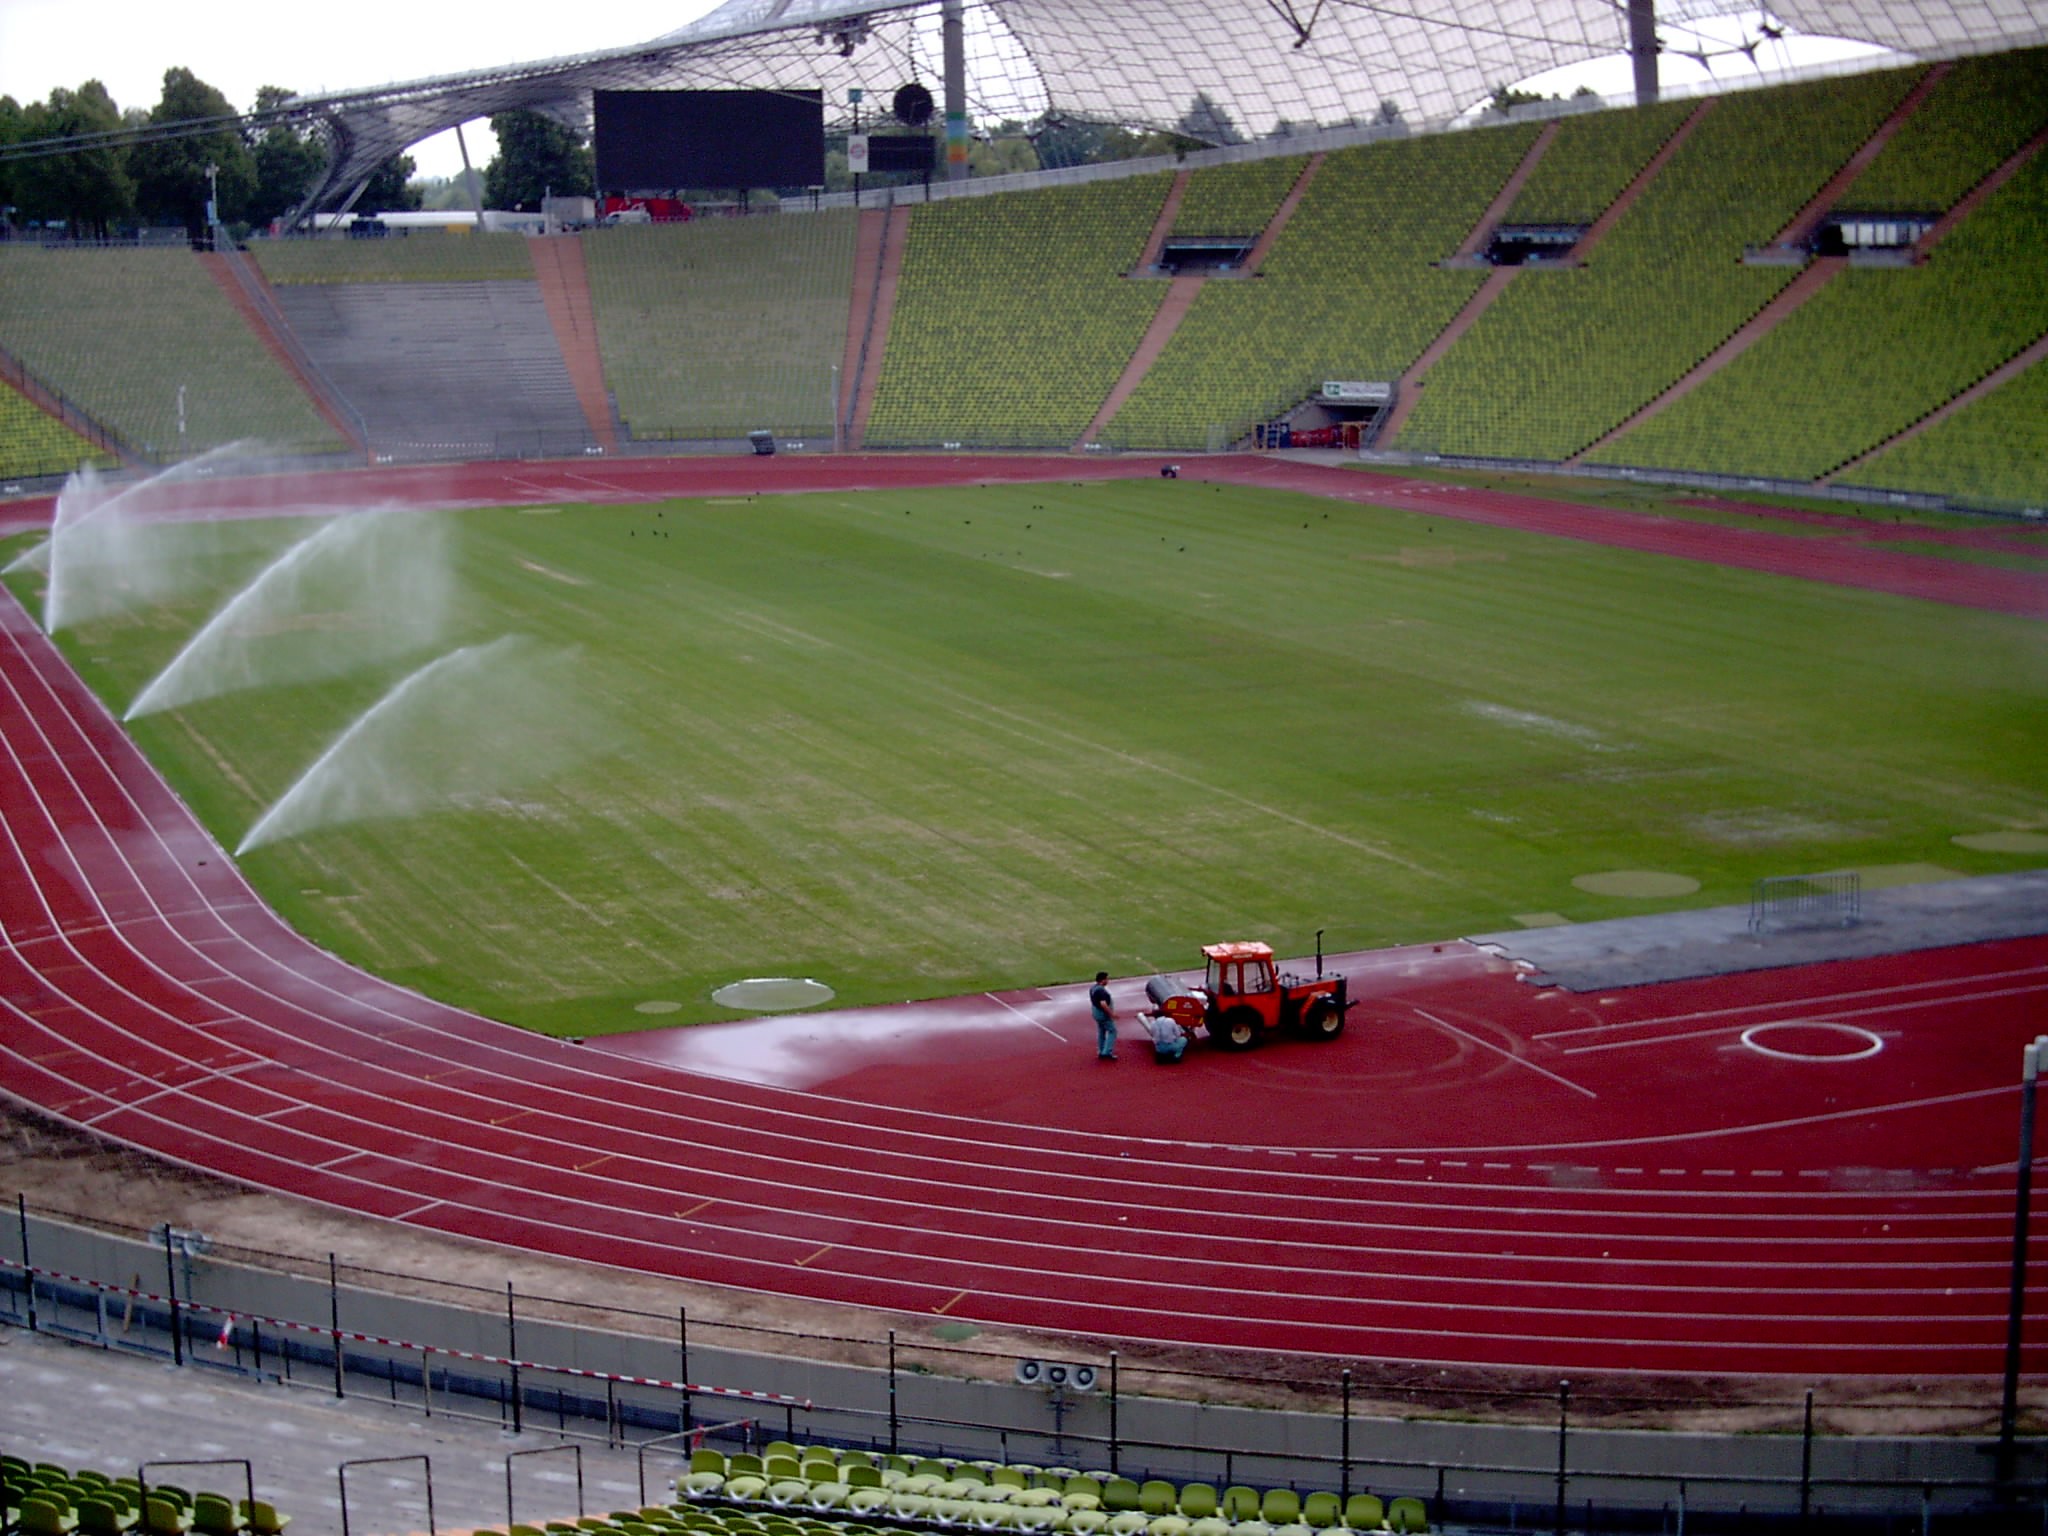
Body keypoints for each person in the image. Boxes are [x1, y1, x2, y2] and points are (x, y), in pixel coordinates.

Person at [1089, 971, 1117, 1060]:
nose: (1108, 980)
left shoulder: (1093, 988)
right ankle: (1107, 1052)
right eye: (1107, 979)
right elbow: (1103, 1004)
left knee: (1101, 1031)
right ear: (1103, 980)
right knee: (1113, 1031)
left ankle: (1101, 1050)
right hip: (1103, 1015)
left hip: (1096, 1013)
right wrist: (1111, 1014)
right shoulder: (1101, 990)